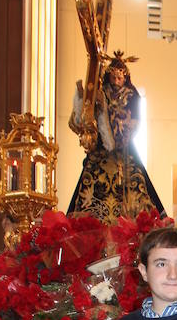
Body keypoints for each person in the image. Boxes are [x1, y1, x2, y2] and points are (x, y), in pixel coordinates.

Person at [68, 50, 165, 222]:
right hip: (99, 155)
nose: (116, 81)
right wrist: (84, 101)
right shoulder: (101, 91)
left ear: (125, 78)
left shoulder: (131, 96)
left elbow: (129, 124)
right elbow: (86, 123)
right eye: (113, 77)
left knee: (136, 200)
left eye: (120, 78)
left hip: (124, 157)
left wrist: (106, 111)